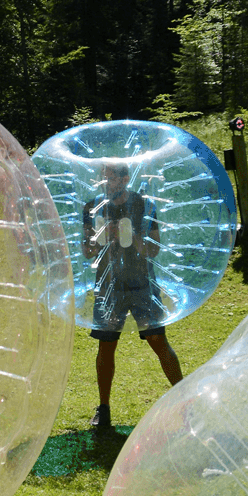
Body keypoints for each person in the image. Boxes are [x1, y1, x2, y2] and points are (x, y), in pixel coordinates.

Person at [82, 160, 182, 429]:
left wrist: (130, 234)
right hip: (108, 287)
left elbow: (154, 250)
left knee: (157, 340)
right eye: (103, 179)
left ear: (125, 179)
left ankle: (185, 400)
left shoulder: (144, 206)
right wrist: (99, 236)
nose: (106, 183)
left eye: (111, 178)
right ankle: (103, 409)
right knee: (106, 345)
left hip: (141, 285)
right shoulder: (92, 207)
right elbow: (87, 251)